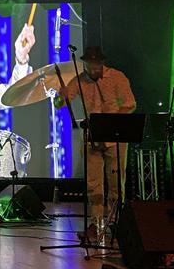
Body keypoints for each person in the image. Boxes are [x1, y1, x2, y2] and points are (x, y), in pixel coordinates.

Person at [55, 46, 136, 243]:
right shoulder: (80, 80)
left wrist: (113, 118)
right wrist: (61, 95)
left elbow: (130, 104)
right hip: (92, 136)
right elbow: (59, 104)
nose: (93, 69)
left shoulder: (117, 77)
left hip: (115, 137)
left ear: (101, 63)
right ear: (85, 64)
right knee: (94, 185)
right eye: (89, 65)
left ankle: (115, 222)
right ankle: (96, 223)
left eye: (96, 65)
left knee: (116, 184)